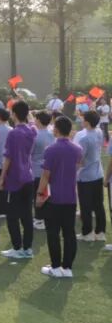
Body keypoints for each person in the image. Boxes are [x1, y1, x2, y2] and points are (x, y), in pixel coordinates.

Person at [37, 116, 83, 278]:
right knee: (69, 233)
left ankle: (56, 267)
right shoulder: (77, 149)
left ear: (56, 129)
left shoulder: (51, 149)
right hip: (70, 197)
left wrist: (39, 194)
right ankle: (67, 268)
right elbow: (77, 167)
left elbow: (45, 175)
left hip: (54, 198)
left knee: (53, 233)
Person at [0, 100, 36, 259]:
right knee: (27, 215)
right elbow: (32, 121)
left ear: (14, 114)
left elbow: (8, 158)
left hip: (15, 178)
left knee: (12, 216)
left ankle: (17, 247)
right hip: (28, 176)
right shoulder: (32, 130)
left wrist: (2, 178)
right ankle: (27, 248)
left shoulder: (14, 133)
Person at [74, 110, 106, 242]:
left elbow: (80, 160)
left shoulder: (84, 138)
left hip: (86, 176)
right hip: (98, 173)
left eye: (83, 119)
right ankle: (100, 232)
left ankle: (87, 233)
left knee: (85, 206)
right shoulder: (99, 132)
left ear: (86, 122)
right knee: (98, 204)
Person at [31, 110, 53, 231]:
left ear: (38, 120)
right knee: (47, 194)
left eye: (35, 118)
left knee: (38, 194)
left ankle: (39, 219)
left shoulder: (35, 135)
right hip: (50, 169)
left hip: (37, 169)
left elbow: (30, 152)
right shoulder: (52, 133)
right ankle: (44, 217)